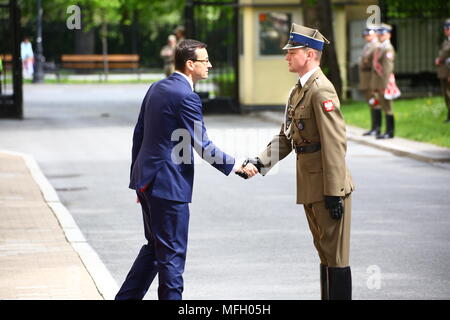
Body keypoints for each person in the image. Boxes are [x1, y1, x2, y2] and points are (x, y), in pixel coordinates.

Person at [115, 39, 250, 300]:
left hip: (148, 183)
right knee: (172, 257)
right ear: (190, 65)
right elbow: (203, 145)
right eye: (205, 60)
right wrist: (236, 166)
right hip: (168, 187)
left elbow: (139, 135)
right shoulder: (187, 96)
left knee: (155, 249)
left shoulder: (156, 88)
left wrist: (139, 180)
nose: (210, 65)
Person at [238, 23, 355, 300]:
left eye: (292, 51)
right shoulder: (298, 90)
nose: (287, 57)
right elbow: (286, 137)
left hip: (328, 188)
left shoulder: (321, 90)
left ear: (311, 54)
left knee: (336, 257)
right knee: (325, 253)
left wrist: (334, 191)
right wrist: (259, 162)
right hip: (312, 186)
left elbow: (335, 144)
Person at [371, 23, 398, 139]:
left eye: (383, 34)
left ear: (389, 35)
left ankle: (390, 132)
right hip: (379, 81)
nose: (381, 36)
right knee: (383, 106)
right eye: (380, 34)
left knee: (388, 107)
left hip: (385, 82)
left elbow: (387, 69)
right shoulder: (381, 47)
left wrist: (385, 85)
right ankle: (386, 130)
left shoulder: (388, 48)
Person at [359, 26, 381, 136]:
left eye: (369, 34)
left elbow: (374, 66)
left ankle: (377, 128)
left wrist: (374, 82)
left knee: (375, 102)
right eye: (365, 35)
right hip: (365, 77)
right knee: (371, 103)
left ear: (375, 34)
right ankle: (374, 127)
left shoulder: (376, 46)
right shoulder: (368, 46)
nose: (366, 37)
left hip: (371, 78)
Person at [435, 18, 450, 123]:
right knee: (446, 94)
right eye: (446, 28)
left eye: (448, 28)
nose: (446, 30)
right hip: (444, 71)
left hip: (448, 71)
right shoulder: (446, 40)